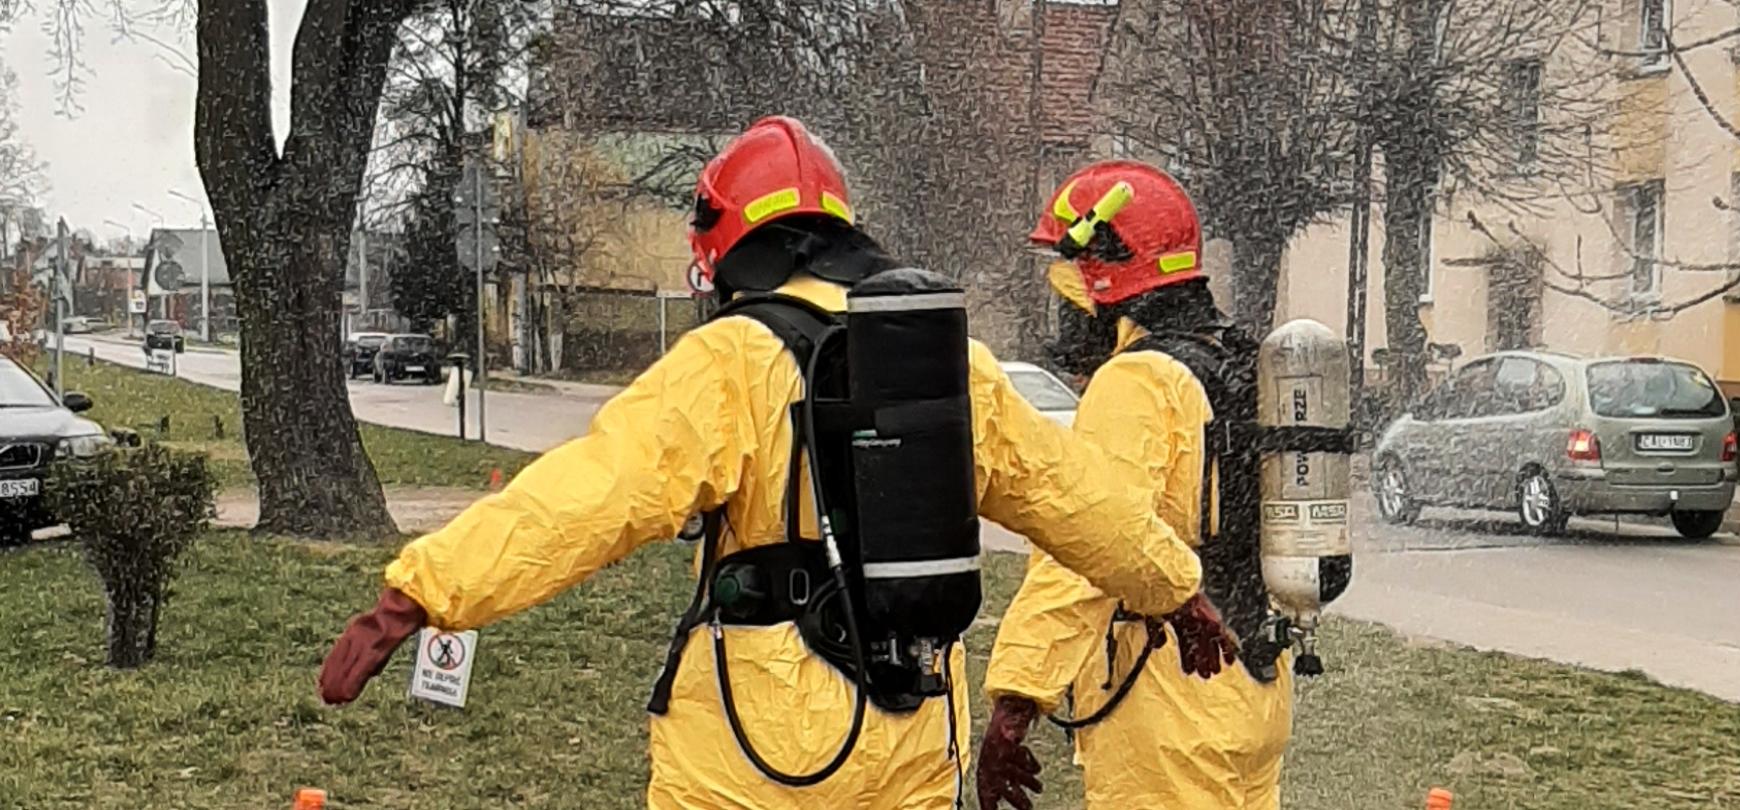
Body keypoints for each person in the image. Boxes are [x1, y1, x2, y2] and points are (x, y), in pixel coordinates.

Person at [316, 118, 1233, 809]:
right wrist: (1176, 592)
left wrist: (423, 591)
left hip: (755, 742)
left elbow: (585, 499)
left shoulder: (731, 362)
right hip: (912, 720)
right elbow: (1080, 502)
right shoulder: (946, 360)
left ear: (732, 248)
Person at [977, 160, 1296, 810]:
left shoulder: (1139, 379)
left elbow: (1087, 543)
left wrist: (1018, 700)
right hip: (1254, 682)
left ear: (1105, 276)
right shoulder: (1235, 360)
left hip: (1170, 696)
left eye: (1068, 291)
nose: (1066, 316)